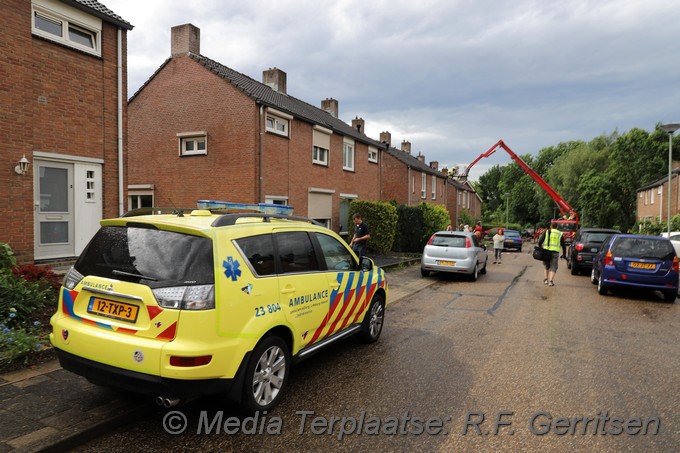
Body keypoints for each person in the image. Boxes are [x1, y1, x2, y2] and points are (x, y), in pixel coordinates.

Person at [537, 222, 566, 286]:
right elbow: (563, 245)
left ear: (551, 226)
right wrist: (564, 254)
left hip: (546, 252)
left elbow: (540, 241)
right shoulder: (560, 233)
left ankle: (546, 280)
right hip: (555, 252)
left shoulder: (547, 232)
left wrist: (540, 247)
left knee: (546, 265)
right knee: (554, 266)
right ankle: (550, 281)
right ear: (557, 227)